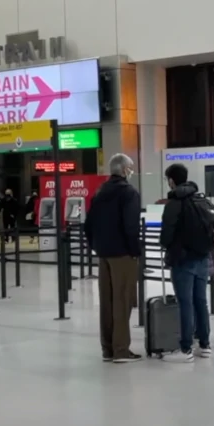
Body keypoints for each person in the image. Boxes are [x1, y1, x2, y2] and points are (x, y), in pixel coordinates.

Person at [84, 154, 142, 363]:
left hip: (103, 254)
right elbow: (131, 226)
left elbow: (88, 224)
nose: (132, 170)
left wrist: (96, 246)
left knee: (107, 301)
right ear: (125, 169)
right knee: (122, 300)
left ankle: (107, 349)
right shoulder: (129, 193)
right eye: (131, 167)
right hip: (123, 254)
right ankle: (121, 350)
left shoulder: (100, 192)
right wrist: (135, 250)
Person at [159, 163, 211, 363]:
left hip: (183, 260)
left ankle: (185, 348)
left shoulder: (174, 203)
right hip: (203, 257)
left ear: (171, 180)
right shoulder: (199, 198)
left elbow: (166, 236)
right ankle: (204, 345)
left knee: (185, 303)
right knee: (201, 301)